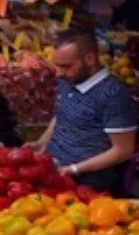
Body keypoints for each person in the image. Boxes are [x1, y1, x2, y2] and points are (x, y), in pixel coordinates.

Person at [31, 29, 138, 193]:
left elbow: (123, 150)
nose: (59, 73)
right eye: (57, 65)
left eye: (66, 66)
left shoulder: (114, 96)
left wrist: (74, 169)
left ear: (89, 59)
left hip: (87, 187)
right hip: (54, 174)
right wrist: (41, 143)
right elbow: (62, 114)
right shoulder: (69, 79)